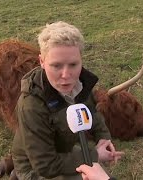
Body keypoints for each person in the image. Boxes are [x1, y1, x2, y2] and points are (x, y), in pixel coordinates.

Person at [11, 21, 124, 179]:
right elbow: (46, 166)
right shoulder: (31, 105)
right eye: (56, 66)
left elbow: (93, 114)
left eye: (73, 64)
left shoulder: (82, 84)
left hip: (64, 150)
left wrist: (104, 140)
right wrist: (94, 156)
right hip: (35, 168)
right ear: (42, 62)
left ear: (81, 59)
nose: (66, 75)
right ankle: (18, 174)